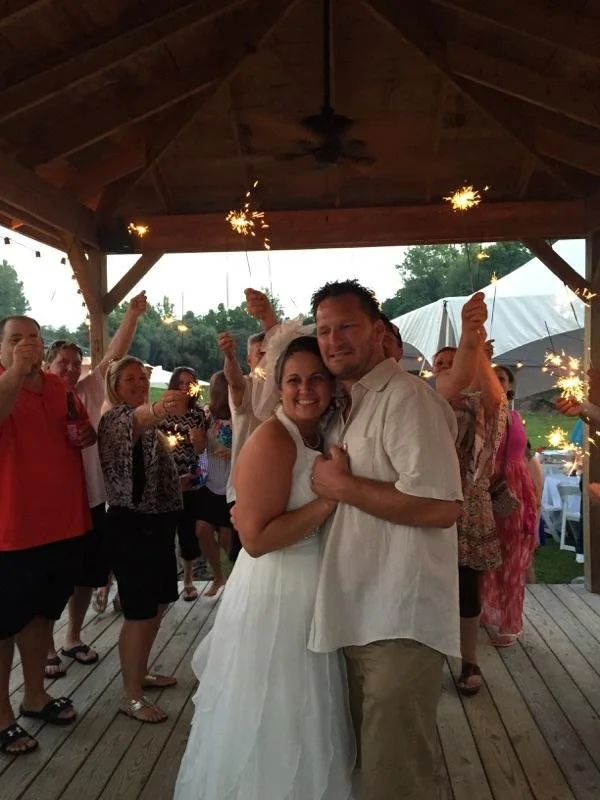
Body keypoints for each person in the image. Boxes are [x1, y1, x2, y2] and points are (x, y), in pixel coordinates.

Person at [174, 336, 355, 800]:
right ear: (278, 388)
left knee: (308, 717)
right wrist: (330, 501)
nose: (305, 388)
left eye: (316, 377)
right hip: (278, 595)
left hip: (311, 588)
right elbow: (253, 539)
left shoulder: (319, 432)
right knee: (276, 714)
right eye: (293, 380)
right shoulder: (274, 439)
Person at [307, 280, 463, 800]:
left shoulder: (407, 400)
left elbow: (443, 507)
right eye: (324, 330)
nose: (333, 340)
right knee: (369, 763)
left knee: (394, 777)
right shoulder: (345, 406)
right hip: (356, 610)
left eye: (346, 326)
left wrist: (344, 487)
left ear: (378, 332)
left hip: (400, 616)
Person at [0, 315, 93, 756]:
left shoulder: (60, 388)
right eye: (15, 339)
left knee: (41, 617)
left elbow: (82, 431)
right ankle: (1, 717)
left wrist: (85, 434)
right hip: (11, 532)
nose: (27, 345)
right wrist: (16, 373)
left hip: (63, 525)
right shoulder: (3, 383)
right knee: (2, 628)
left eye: (33, 338)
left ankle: (34, 696)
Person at [43, 291, 149, 675]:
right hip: (53, 505)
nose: (69, 369)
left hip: (92, 500)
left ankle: (72, 637)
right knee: (54, 579)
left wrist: (133, 315)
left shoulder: (86, 390)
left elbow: (115, 357)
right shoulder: (35, 397)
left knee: (87, 574)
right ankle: (46, 648)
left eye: (74, 363)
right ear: (47, 365)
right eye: (62, 363)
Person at [98, 356, 187, 723]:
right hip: (131, 527)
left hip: (159, 524)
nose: (136, 382)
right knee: (139, 612)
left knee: (159, 604)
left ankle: (141, 672)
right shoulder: (116, 418)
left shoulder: (147, 424)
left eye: (141, 377)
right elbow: (140, 418)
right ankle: (130, 696)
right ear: (115, 386)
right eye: (129, 378)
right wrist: (163, 404)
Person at [431, 297, 506, 697]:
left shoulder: (483, 404)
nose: (445, 368)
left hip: (470, 505)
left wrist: (473, 339)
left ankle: (468, 660)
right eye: (439, 364)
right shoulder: (427, 402)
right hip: (431, 502)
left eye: (451, 360)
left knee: (466, 587)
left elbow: (494, 400)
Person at [480, 366, 537, 646]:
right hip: (486, 489)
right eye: (490, 377)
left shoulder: (516, 417)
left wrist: (531, 496)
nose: (495, 382)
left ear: (510, 386)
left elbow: (526, 458)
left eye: (500, 378)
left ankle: (509, 621)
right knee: (485, 552)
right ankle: (483, 611)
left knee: (512, 554)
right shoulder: (481, 415)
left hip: (514, 490)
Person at [159, 366, 207, 601]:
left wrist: (198, 442)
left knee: (188, 533)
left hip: (189, 482)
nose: (185, 388)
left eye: (189, 383)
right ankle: (167, 581)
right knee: (165, 534)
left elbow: (200, 450)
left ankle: (188, 580)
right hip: (165, 483)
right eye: (180, 383)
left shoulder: (198, 414)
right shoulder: (160, 412)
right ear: (173, 386)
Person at [194, 371, 233, 596]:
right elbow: (199, 451)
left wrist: (233, 452)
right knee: (202, 530)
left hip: (231, 483)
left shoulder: (241, 414)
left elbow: (249, 446)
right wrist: (197, 443)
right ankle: (218, 575)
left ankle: (230, 579)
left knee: (227, 538)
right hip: (210, 481)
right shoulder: (206, 415)